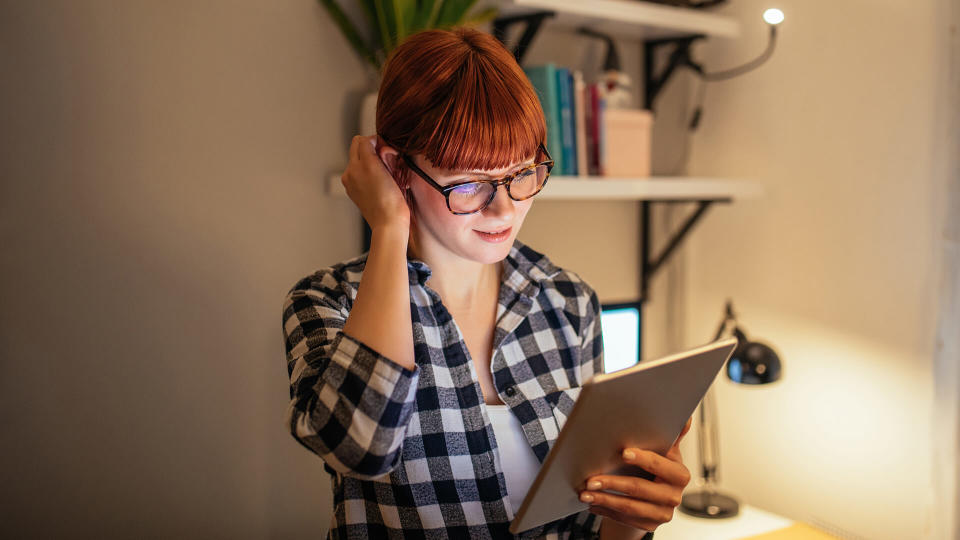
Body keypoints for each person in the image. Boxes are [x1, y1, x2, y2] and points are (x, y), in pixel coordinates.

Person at [281, 26, 692, 539]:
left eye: (522, 173)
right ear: (395, 169)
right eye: (470, 182)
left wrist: (630, 516)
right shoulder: (326, 303)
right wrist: (388, 227)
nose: (505, 208)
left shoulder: (568, 302)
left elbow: (589, 525)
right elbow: (360, 448)